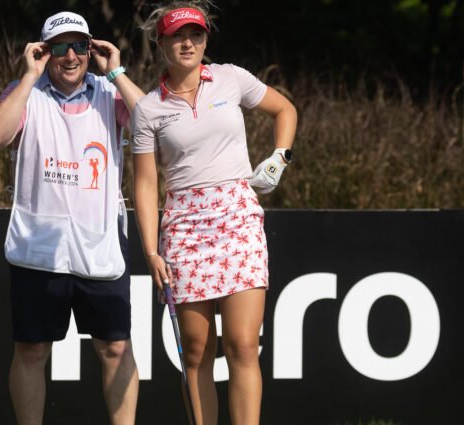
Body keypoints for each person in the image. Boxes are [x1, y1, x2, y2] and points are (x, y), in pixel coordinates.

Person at [132, 2, 297, 424]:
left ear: (206, 40)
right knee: (196, 350)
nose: (188, 43)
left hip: (238, 216)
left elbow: (285, 109)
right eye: (178, 36)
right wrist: (151, 251)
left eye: (196, 35)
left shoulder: (231, 78)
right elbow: (146, 184)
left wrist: (280, 157)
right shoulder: (148, 109)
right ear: (161, 43)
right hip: (184, 226)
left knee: (243, 344)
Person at [0, 11, 145, 425]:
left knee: (116, 348)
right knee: (32, 350)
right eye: (59, 47)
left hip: (99, 242)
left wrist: (117, 72)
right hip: (40, 245)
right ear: (43, 51)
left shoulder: (110, 93)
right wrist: (29, 76)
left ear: (91, 49)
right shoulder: (25, 92)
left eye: (79, 45)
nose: (70, 56)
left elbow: (155, 127)